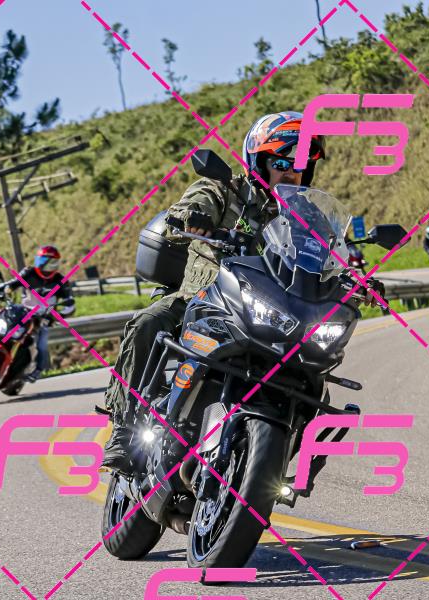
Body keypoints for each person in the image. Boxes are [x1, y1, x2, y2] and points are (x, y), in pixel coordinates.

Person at [101, 111, 380, 472]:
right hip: (203, 296)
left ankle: (273, 456)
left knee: (313, 373)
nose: (290, 172)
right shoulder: (223, 190)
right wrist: (192, 218)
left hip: (272, 311)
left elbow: (330, 258)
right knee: (148, 323)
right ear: (258, 161)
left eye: (299, 166)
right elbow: (188, 208)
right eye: (281, 163)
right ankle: (124, 429)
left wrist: (356, 281)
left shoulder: (308, 216)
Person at [0, 245, 76, 382]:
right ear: (37, 260)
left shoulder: (61, 281)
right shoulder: (29, 273)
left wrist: (59, 315)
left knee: (41, 345)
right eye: (43, 261)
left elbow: (70, 304)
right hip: (23, 312)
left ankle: (38, 370)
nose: (45, 266)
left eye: (50, 262)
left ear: (56, 264)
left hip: (44, 318)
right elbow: (12, 283)